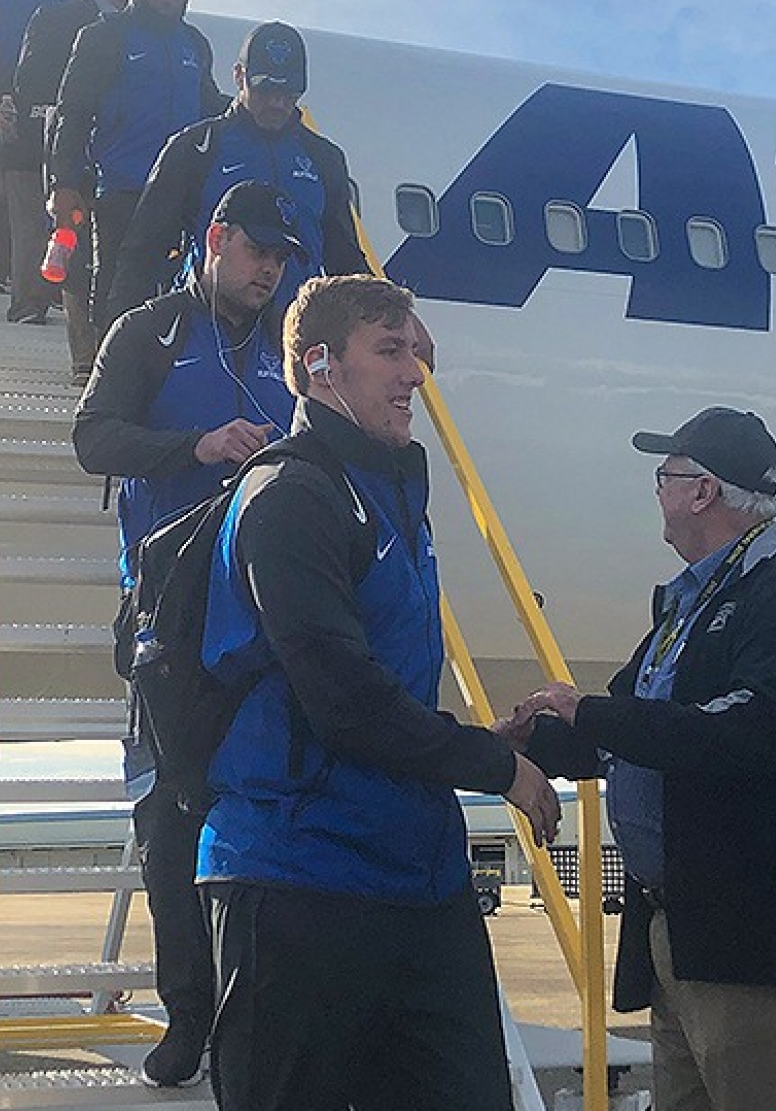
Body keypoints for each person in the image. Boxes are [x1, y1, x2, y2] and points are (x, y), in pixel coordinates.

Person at [195, 273, 561, 1111]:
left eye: (416, 351)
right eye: (390, 351)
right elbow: (344, 698)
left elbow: (381, 690)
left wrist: (478, 740)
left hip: (412, 875)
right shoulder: (290, 496)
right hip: (299, 877)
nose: (413, 374)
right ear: (320, 365)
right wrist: (492, 767)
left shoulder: (387, 492)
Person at [500, 408, 776, 1111]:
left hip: (762, 947)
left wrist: (591, 711)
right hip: (688, 938)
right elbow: (629, 730)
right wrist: (528, 745)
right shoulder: (693, 602)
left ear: (703, 491)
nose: (657, 491)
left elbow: (751, 731)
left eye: (664, 476)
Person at [71, 180, 306, 1087]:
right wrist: (197, 447)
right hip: (169, 615)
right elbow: (93, 439)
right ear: (215, 238)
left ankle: (264, 1010)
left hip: (264, 610)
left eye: (280, 257)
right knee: (171, 824)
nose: (268, 268)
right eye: (256, 250)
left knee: (273, 806)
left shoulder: (289, 344)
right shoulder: (150, 331)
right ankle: (189, 1014)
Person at [106, 20, 369, 325]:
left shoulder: (324, 158)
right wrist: (119, 330)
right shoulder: (196, 148)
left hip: (292, 329)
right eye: (265, 89)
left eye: (288, 92)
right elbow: (143, 250)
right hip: (207, 325)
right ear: (239, 76)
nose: (277, 102)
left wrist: (385, 318)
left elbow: (344, 257)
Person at [47, 0, 223, 360]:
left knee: (179, 291)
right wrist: (64, 182)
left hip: (181, 191)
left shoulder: (195, 45)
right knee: (118, 290)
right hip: (122, 187)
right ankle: (106, 373)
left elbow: (210, 110)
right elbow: (73, 112)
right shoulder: (103, 37)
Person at [2, 0, 138, 356]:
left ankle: (99, 347)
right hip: (65, 142)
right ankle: (41, 311)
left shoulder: (148, 33)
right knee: (61, 240)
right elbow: (31, 79)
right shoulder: (60, 18)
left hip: (117, 156)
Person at [0, 0, 89, 302]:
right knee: (8, 185)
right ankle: (2, 268)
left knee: (57, 188)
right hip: (8, 89)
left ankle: (54, 282)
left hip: (55, 92)